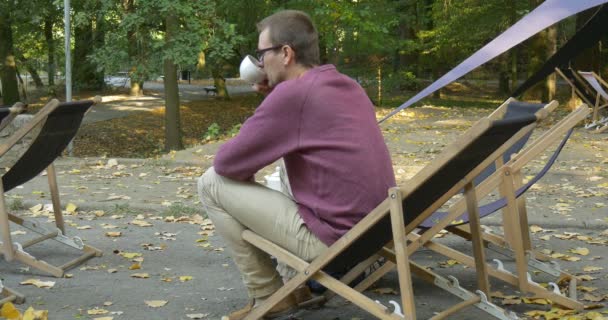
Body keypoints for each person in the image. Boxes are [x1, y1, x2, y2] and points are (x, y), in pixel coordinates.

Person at [197, 10, 395, 320]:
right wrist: (277, 95)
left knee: (210, 183)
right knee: (287, 170)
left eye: (263, 54)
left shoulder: (294, 94)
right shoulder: (346, 85)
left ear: (286, 53)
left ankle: (269, 295)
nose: (260, 64)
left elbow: (227, 164)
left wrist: (275, 99)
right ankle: (296, 285)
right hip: (376, 230)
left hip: (335, 241)